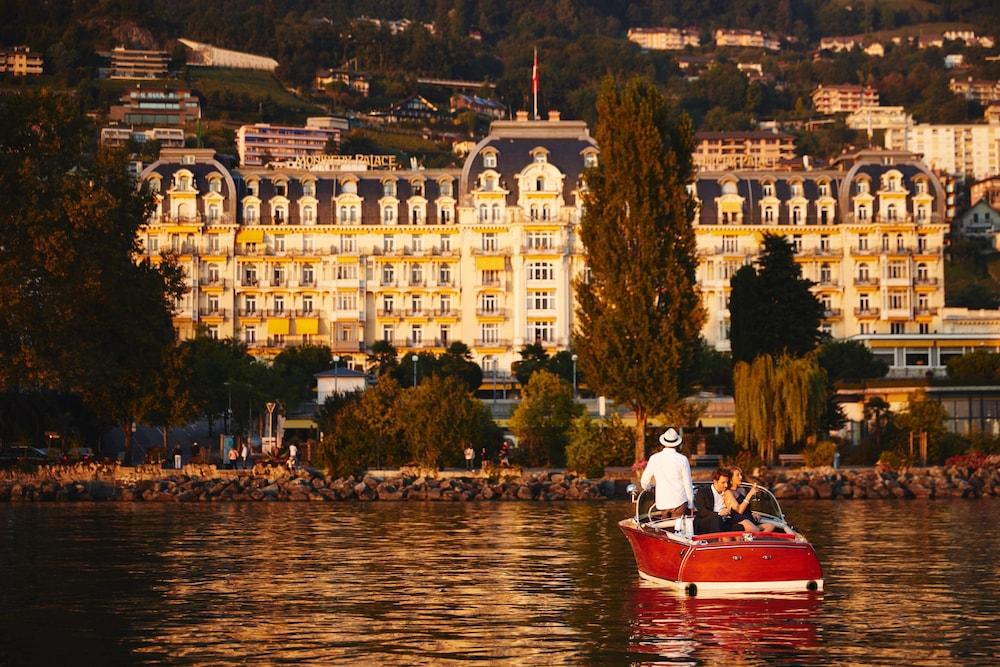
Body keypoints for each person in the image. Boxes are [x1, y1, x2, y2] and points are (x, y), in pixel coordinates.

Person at [639, 427, 694, 519]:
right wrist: (691, 503)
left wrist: (648, 488)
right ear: (677, 443)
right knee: (679, 531)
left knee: (665, 530)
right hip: (679, 501)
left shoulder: (654, 458)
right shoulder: (682, 459)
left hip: (662, 502)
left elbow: (644, 481)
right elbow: (687, 483)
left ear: (663, 442)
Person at [725, 467, 777, 533]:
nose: (740, 477)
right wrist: (750, 493)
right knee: (755, 530)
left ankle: (754, 538)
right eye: (737, 475)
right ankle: (752, 537)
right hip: (738, 518)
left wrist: (753, 513)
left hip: (748, 516)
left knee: (770, 526)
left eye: (741, 475)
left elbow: (746, 506)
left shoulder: (742, 490)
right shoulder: (728, 493)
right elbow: (739, 511)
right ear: (731, 478)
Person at [693, 468, 734, 534]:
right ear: (715, 481)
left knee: (739, 526)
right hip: (707, 521)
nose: (726, 485)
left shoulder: (728, 492)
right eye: (723, 482)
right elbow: (701, 511)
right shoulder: (703, 491)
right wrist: (719, 513)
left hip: (725, 520)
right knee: (717, 519)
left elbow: (736, 508)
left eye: (727, 482)